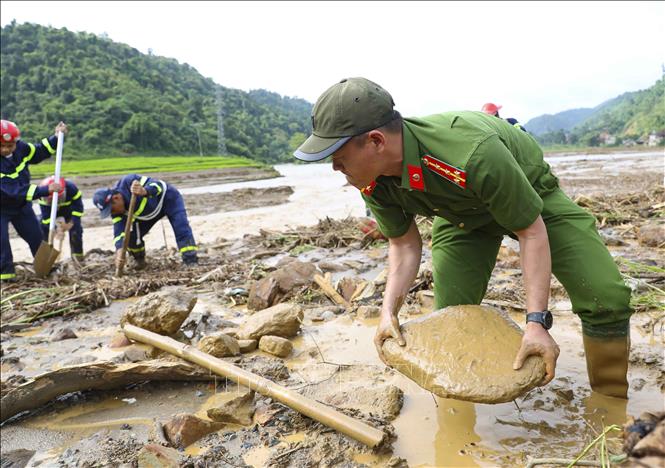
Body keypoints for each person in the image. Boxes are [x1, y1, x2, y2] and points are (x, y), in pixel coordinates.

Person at [293, 78, 632, 399]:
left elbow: (530, 231)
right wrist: (387, 313)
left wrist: (536, 323)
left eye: (337, 155)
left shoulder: (471, 152)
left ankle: (609, 403)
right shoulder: (371, 179)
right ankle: (460, 412)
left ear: (376, 141)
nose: (334, 167)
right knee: (452, 316)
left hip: (533, 201)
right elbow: (404, 243)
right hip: (461, 219)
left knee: (606, 297)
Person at [1, 120, 68, 281]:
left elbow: (39, 152)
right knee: (1, 243)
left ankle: (46, 269)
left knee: (36, 237)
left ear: (15, 142)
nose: (5, 149)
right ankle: (7, 277)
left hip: (22, 207)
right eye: (1, 146)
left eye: (10, 146)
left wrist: (57, 137)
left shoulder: (21, 148)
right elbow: (12, 191)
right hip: (1, 208)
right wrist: (46, 190)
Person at [92, 174, 198, 269]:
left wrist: (145, 190)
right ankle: (139, 261)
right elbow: (119, 233)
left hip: (168, 200)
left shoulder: (129, 181)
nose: (112, 213)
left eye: (112, 209)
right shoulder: (117, 213)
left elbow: (158, 185)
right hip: (145, 216)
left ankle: (190, 261)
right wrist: (120, 251)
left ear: (116, 198)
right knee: (131, 238)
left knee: (181, 227)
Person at [38, 176, 84, 261]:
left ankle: (77, 256)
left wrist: (70, 224)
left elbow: (78, 210)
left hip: (68, 210)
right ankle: (45, 257)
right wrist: (56, 229)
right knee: (42, 226)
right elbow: (46, 218)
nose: (51, 201)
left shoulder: (71, 188)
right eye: (49, 199)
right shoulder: (42, 192)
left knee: (76, 230)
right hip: (50, 211)